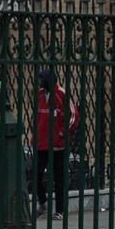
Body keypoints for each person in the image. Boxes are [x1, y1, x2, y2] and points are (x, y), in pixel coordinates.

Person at [34, 69, 79, 220]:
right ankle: (43, 202)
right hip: (42, 143)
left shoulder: (62, 94)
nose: (40, 82)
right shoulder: (40, 95)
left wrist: (63, 133)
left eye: (42, 79)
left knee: (58, 178)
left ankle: (60, 211)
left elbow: (73, 116)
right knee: (36, 174)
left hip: (57, 145)